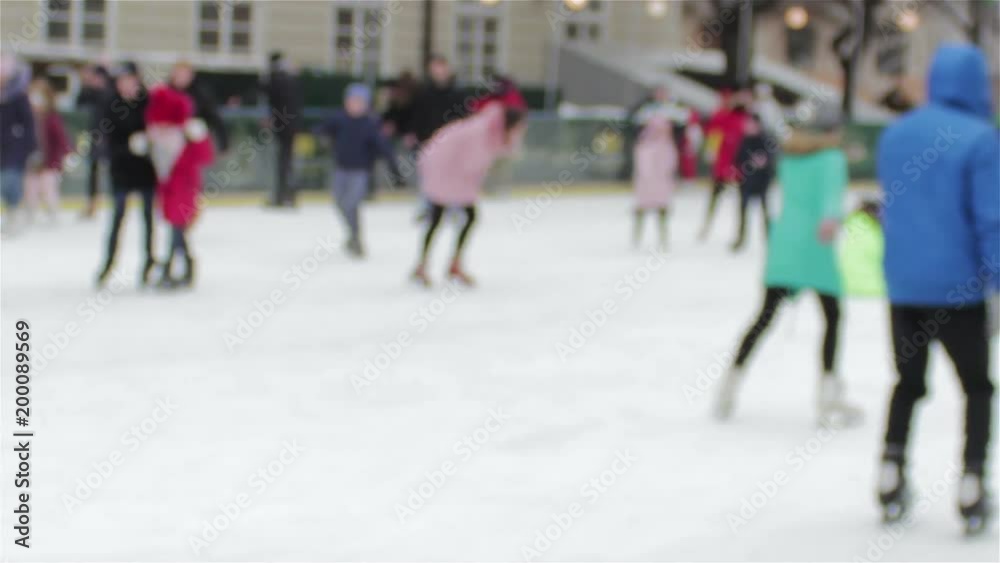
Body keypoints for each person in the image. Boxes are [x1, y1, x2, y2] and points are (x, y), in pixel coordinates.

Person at [874, 44, 999, 533]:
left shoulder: (896, 135)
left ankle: (890, 469)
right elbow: (991, 220)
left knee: (908, 383)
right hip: (959, 290)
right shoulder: (982, 139)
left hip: (904, 285)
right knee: (978, 387)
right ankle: (971, 479)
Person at [715, 107, 860, 426]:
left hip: (784, 243)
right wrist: (830, 220)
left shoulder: (790, 158)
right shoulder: (832, 158)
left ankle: (729, 383)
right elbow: (830, 199)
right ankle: (827, 391)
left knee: (764, 316)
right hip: (815, 247)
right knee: (833, 318)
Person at [411, 103, 526, 287]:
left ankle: (444, 264)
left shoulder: (491, 130)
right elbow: (473, 162)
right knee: (440, 217)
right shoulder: (482, 131)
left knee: (461, 217)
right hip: (441, 169)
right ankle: (425, 266)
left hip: (451, 173)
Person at [313, 83, 401, 258]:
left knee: (351, 203)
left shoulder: (370, 124)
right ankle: (353, 234)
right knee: (339, 202)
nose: (354, 105)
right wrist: (321, 137)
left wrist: (394, 169)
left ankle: (356, 238)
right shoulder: (339, 119)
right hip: (341, 169)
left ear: (366, 104)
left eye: (359, 102)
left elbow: (383, 147)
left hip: (360, 171)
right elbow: (321, 129)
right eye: (352, 101)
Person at [145, 84, 215, 289]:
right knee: (177, 233)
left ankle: (171, 267)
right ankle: (185, 267)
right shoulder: (157, 138)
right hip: (169, 194)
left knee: (177, 232)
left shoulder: (185, 137)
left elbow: (206, 157)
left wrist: (201, 138)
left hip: (184, 191)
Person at [96, 66, 158, 287]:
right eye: (122, 80)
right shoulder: (110, 104)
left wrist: (149, 142)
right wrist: (126, 147)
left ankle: (150, 262)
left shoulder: (147, 102)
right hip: (121, 170)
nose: (127, 84)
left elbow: (157, 128)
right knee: (118, 216)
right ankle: (109, 262)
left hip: (145, 170)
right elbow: (103, 136)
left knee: (148, 217)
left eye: (130, 80)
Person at [699, 89, 750, 240]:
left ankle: (740, 233)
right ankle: (706, 227)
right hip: (723, 163)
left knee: (742, 201)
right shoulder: (719, 116)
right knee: (715, 197)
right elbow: (713, 136)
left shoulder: (741, 116)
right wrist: (711, 152)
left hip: (738, 163)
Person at [24, 78, 70, 222]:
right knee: (30, 188)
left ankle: (52, 213)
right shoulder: (26, 118)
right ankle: (30, 214)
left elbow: (62, 138)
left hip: (50, 162)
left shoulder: (52, 118)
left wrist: (67, 153)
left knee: (48, 187)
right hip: (31, 161)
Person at [0, 55, 36, 235]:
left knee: (10, 181)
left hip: (13, 149)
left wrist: (30, 148)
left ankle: (14, 215)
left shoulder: (18, 96)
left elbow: (28, 124)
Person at [261, 51, 303, 207]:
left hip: (283, 126)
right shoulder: (292, 79)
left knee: (283, 162)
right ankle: (288, 195)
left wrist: (271, 118)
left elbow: (270, 97)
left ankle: (283, 195)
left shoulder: (275, 80)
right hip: (290, 126)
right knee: (288, 161)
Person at [730, 114, 776, 252]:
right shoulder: (744, 140)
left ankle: (769, 238)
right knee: (743, 210)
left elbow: (772, 157)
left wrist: (764, 162)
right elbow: (737, 159)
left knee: (765, 211)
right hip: (746, 182)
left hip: (762, 182)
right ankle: (741, 237)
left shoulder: (765, 139)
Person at [632, 114, 677, 250]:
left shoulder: (667, 145)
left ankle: (663, 238)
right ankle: (637, 238)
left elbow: (670, 165)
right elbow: (643, 166)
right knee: (642, 211)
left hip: (659, 186)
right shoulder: (645, 145)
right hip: (647, 186)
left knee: (661, 212)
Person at [168, 61, 229, 153]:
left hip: (193, 143)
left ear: (191, 76)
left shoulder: (200, 94)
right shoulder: (165, 93)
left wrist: (224, 144)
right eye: (178, 74)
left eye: (184, 75)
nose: (181, 78)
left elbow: (214, 118)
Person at [76, 64, 112, 219]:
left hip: (110, 137)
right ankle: (92, 203)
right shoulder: (89, 93)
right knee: (94, 170)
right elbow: (79, 104)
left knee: (111, 170)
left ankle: (113, 200)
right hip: (94, 136)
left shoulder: (110, 93)